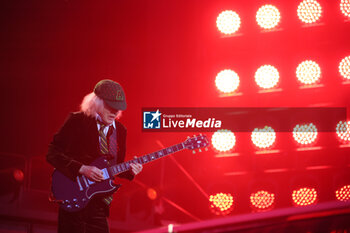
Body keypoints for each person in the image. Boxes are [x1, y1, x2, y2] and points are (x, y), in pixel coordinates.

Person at [46, 79, 143, 233]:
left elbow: (112, 167)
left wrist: (131, 170)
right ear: (96, 102)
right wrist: (82, 169)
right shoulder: (77, 121)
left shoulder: (121, 131)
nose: (114, 112)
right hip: (73, 198)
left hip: (99, 205)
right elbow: (52, 153)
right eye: (110, 107)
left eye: (117, 109)